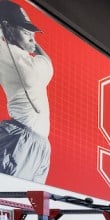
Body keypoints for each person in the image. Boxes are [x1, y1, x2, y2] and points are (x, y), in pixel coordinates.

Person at [0, 1, 52, 183]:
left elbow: (48, 65)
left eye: (33, 34)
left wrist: (32, 43)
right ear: (6, 27)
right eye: (26, 32)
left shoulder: (25, 58)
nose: (32, 39)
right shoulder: (4, 49)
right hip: (19, 138)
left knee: (27, 206)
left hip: (41, 145)